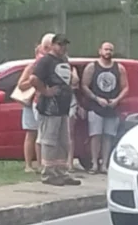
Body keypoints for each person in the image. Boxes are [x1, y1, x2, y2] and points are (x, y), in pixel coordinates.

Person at [29, 34, 81, 186]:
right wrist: (45, 91)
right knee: (49, 141)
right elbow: (33, 79)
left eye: (65, 45)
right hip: (49, 108)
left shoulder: (64, 60)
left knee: (63, 142)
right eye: (59, 44)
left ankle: (61, 172)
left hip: (63, 107)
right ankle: (48, 174)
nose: (63, 48)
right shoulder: (45, 61)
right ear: (52, 45)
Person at [80, 41, 127, 173]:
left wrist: (117, 100)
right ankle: (94, 163)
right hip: (95, 108)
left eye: (111, 50)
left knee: (108, 136)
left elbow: (125, 87)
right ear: (100, 51)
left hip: (112, 109)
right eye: (106, 49)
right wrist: (96, 98)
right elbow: (84, 85)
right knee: (95, 135)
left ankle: (105, 164)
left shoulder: (119, 68)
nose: (108, 52)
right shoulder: (92, 67)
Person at [17, 33, 54, 172]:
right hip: (30, 103)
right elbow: (21, 85)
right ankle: (29, 165)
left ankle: (41, 164)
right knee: (32, 133)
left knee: (41, 133)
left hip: (41, 101)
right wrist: (35, 83)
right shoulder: (32, 66)